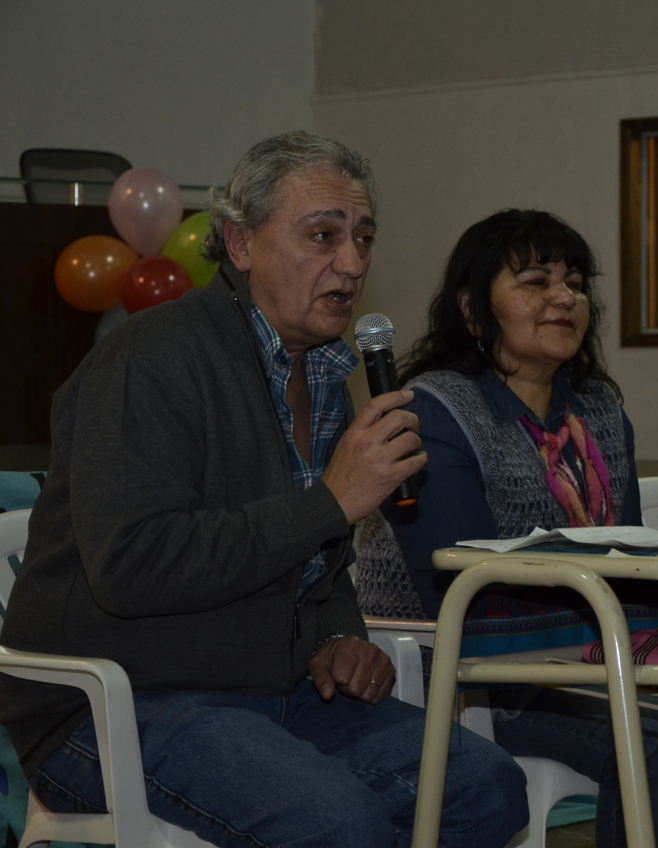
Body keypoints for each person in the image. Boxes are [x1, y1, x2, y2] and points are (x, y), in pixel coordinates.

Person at [0, 132, 528, 848]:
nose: (352, 264)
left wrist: (339, 634)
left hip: (275, 690)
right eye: (323, 235)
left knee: (482, 787)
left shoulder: (325, 374)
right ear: (240, 244)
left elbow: (320, 566)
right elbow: (130, 566)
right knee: (339, 824)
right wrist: (329, 502)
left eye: (364, 238)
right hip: (122, 701)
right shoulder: (147, 361)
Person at [357, 208, 658, 848]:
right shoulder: (436, 412)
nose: (564, 297)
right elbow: (461, 591)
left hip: (588, 654)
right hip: (466, 673)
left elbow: (631, 557)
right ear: (473, 310)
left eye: (574, 283)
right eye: (534, 281)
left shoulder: (598, 408)